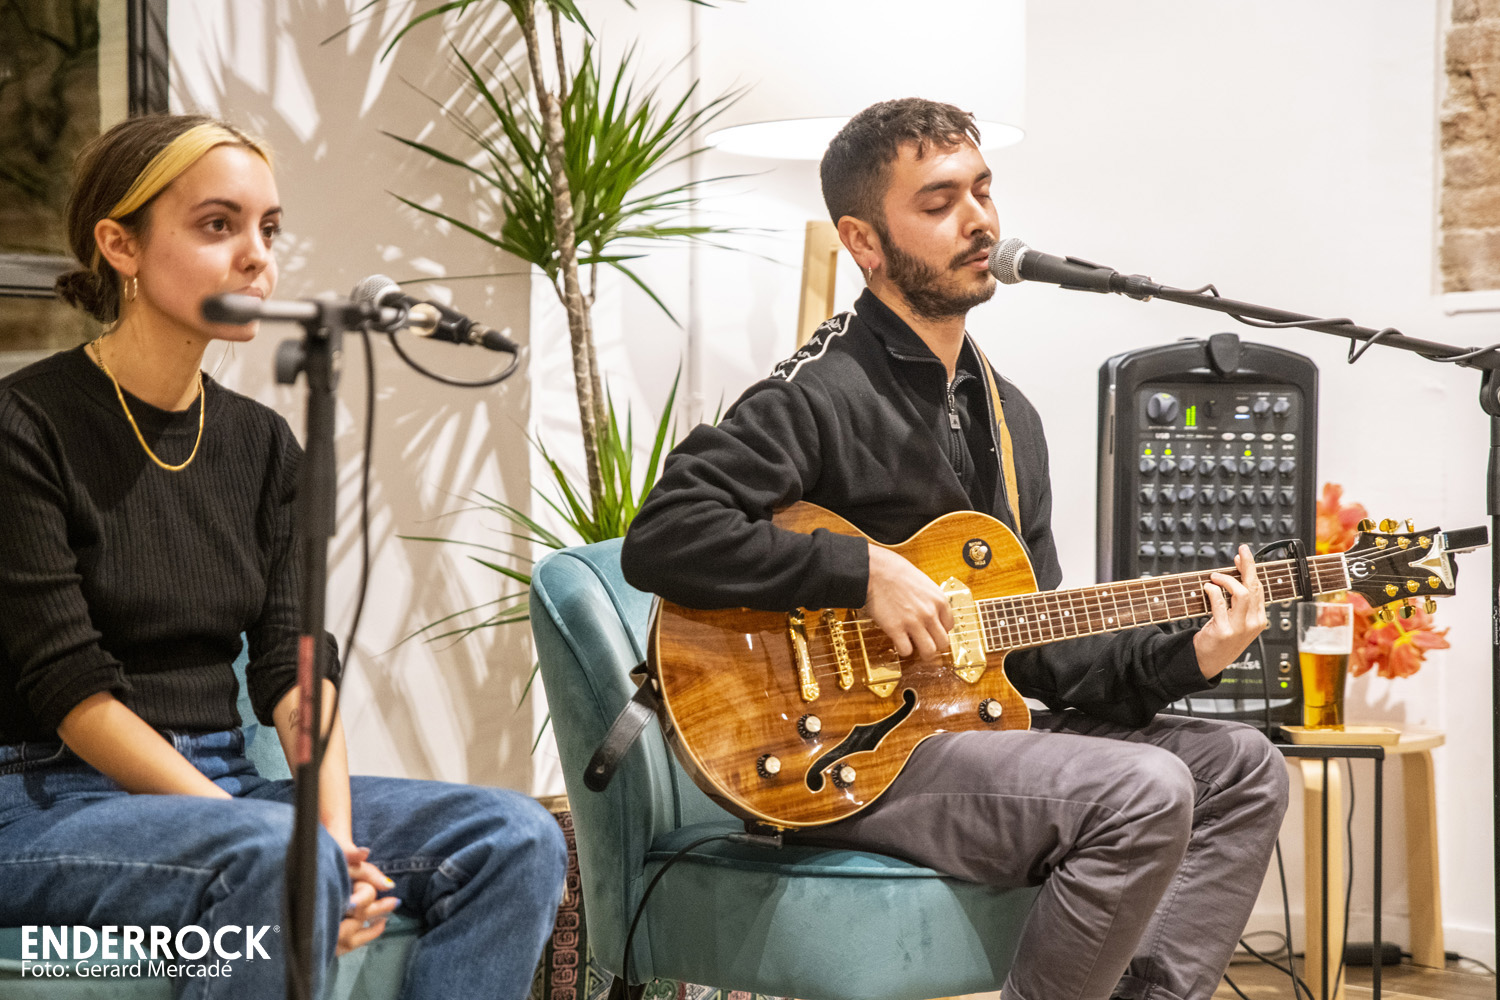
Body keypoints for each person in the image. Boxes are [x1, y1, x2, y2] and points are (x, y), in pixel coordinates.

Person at [620, 98, 1289, 1000]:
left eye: (982, 191)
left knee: (1244, 767)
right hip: (848, 759)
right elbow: (665, 535)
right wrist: (861, 571)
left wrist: (1190, 652)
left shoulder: (1010, 418)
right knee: (1144, 788)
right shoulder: (815, 394)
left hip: (966, 730)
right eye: (939, 203)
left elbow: (1043, 653)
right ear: (863, 242)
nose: (978, 220)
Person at [0, 113, 567, 1000]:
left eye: (268, 229)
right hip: (50, 802)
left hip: (229, 787)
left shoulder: (262, 443)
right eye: (217, 225)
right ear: (121, 245)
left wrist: (330, 838)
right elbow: (72, 696)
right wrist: (299, 857)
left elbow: (296, 667)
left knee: (515, 835)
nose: (257, 257)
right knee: (270, 853)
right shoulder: (26, 425)